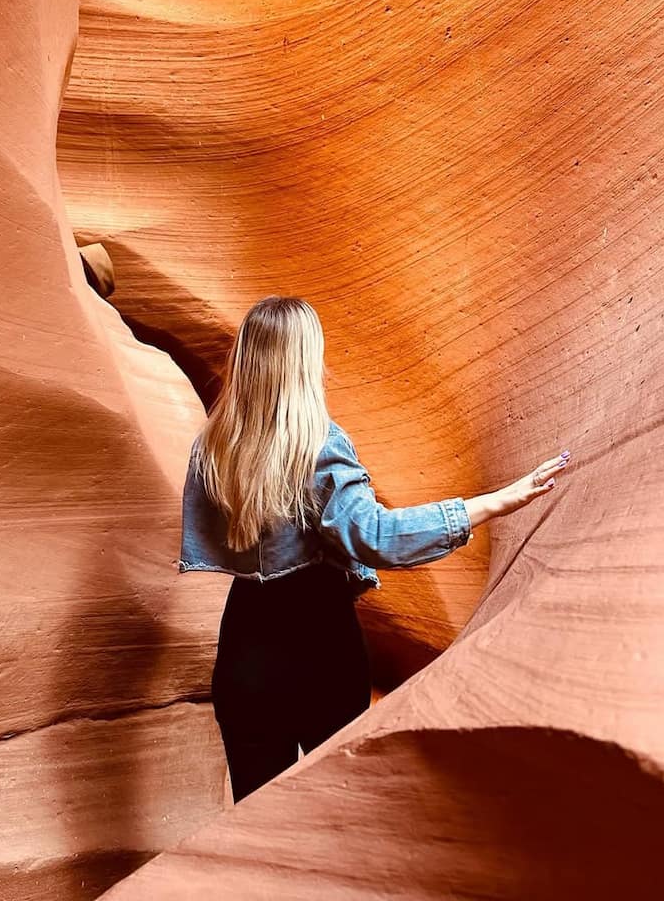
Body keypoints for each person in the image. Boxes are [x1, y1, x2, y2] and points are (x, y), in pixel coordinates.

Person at [177, 295, 571, 803]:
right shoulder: (319, 444)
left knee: (259, 828)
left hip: (243, 650)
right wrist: (493, 503)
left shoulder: (214, 446)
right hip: (319, 648)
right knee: (339, 811)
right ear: (305, 361)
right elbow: (376, 536)